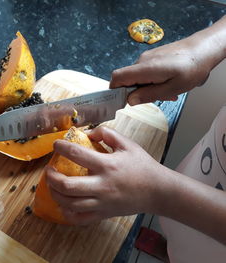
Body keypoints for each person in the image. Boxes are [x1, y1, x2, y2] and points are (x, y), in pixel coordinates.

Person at [45, 16, 226, 262]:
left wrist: (159, 193)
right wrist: (209, 43)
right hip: (203, 178)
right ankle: (170, 247)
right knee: (181, 241)